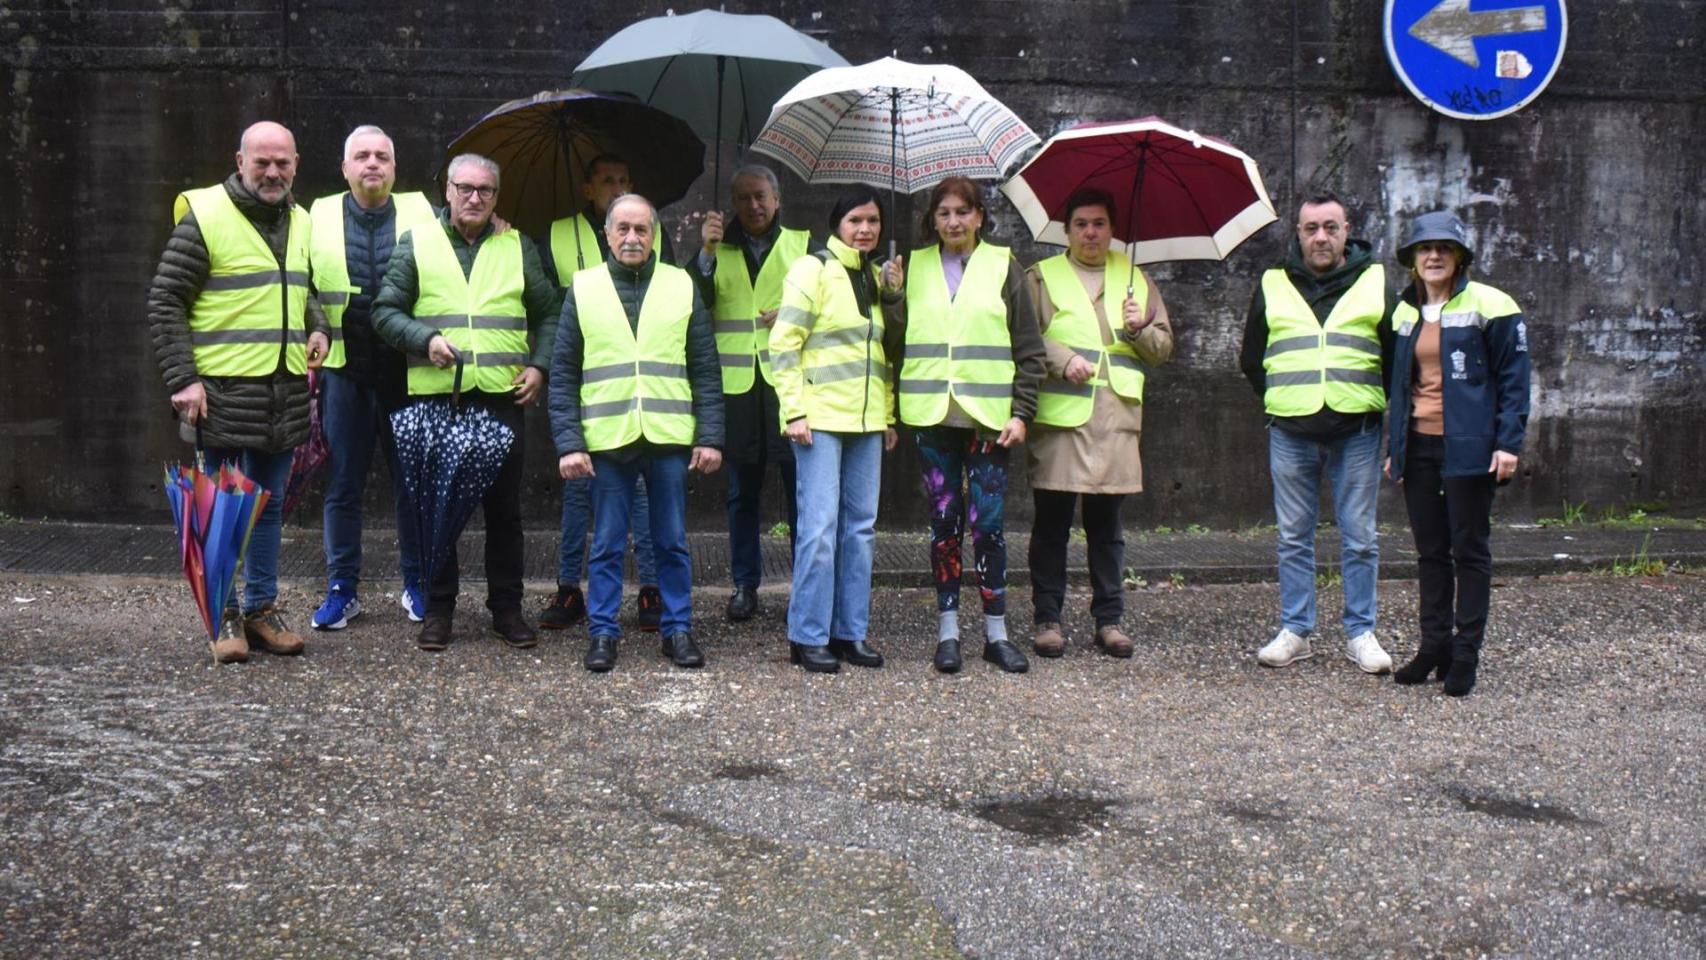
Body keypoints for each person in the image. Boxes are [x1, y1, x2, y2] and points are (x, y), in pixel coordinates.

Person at [148, 120, 331, 664]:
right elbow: (165, 301)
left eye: (282, 162)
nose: (272, 172)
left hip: (283, 390)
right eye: (262, 162)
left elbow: (301, 285)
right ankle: (224, 615)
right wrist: (183, 379)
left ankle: (261, 609)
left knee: (268, 508)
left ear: (296, 163)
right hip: (222, 392)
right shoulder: (206, 218)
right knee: (221, 510)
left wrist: (317, 324)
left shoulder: (301, 220)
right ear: (240, 159)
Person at [371, 153, 560, 652]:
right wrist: (424, 338)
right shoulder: (415, 244)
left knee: (505, 514)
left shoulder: (518, 246)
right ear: (447, 190)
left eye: (486, 190)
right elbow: (384, 311)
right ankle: (438, 610)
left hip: (501, 397)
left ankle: (507, 609)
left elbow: (550, 313)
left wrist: (539, 365)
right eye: (465, 188)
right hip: (439, 399)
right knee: (436, 512)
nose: (475, 198)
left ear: (497, 197)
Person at [551, 193, 724, 672]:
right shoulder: (582, 288)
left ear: (655, 235)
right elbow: (563, 371)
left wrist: (709, 436)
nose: (632, 238)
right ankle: (603, 633)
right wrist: (569, 443)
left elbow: (705, 369)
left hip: (668, 437)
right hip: (607, 439)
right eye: (622, 229)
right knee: (606, 542)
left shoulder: (681, 284)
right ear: (607, 234)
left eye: (641, 230)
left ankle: (678, 629)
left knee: (671, 540)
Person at [1238, 192, 1399, 674]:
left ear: (1348, 230)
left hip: (1358, 427)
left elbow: (1395, 352)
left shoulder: (1377, 280)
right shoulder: (1272, 282)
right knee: (1292, 535)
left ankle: (1361, 632)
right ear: (1299, 234)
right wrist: (1283, 397)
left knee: (1361, 537)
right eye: (1311, 229)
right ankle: (1296, 630)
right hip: (1291, 427)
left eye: (1330, 227)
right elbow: (1251, 357)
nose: (1321, 237)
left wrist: (1373, 401)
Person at [895, 176, 1045, 673]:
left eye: (963, 212)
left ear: (980, 215)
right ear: (932, 220)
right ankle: (949, 632)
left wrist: (1022, 413)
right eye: (944, 214)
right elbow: (894, 342)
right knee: (944, 526)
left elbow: (1030, 350)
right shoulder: (911, 268)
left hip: (988, 421)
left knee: (990, 528)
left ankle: (996, 634)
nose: (953, 222)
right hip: (931, 414)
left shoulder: (1005, 267)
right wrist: (892, 298)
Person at [1385, 211, 1530, 697]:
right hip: (1420, 446)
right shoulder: (1403, 312)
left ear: (1460, 257)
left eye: (1444, 249)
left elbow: (1514, 380)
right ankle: (1434, 649)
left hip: (1471, 447)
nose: (1433, 256)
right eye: (1424, 249)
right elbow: (1399, 387)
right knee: (1430, 552)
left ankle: (1465, 654)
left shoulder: (1493, 304)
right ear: (1411, 259)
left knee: (1469, 550)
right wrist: (1397, 449)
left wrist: (1508, 442)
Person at [1025, 188, 1173, 659]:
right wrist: (1062, 358)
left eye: (1100, 224)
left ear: (1113, 230)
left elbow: (1162, 350)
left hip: (1114, 419)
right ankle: (1048, 619)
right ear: (1066, 231)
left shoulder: (1137, 280)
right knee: (1052, 524)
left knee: (1107, 528)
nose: (1091, 232)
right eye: (1082, 224)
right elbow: (1023, 336)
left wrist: (1138, 329)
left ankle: (1109, 620)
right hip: (1063, 418)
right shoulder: (1041, 279)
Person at [306, 125, 439, 631]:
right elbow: (303, 285)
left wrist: (499, 225)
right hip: (344, 371)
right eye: (361, 156)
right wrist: (315, 328)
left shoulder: (422, 211)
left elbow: (459, 244)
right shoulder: (315, 215)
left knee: (412, 485)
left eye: (382, 155)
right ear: (344, 168)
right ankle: (342, 590)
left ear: (395, 167)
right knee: (342, 485)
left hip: (406, 372)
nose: (372, 164)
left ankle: (417, 583)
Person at [770, 188, 901, 674]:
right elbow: (783, 343)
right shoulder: (813, 269)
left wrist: (886, 415)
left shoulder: (873, 278)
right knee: (820, 530)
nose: (865, 229)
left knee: (861, 531)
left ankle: (850, 631)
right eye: (855, 220)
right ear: (837, 224)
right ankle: (807, 635)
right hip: (820, 420)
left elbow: (878, 355)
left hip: (866, 424)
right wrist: (794, 411)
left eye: (873, 221)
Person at [538, 153, 667, 634]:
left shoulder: (650, 232)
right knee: (577, 494)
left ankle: (650, 587)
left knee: (639, 496)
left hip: (635, 396)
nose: (615, 186)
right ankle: (569, 587)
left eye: (623, 178)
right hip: (583, 384)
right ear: (588, 188)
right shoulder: (555, 233)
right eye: (605, 180)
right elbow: (547, 303)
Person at [690, 164, 810, 622]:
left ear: (777, 200)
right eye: (743, 198)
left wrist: (796, 311)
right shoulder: (717, 247)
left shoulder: (802, 245)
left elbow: (828, 301)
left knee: (800, 492)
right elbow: (694, 300)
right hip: (736, 387)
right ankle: (745, 585)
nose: (754, 206)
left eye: (761, 197)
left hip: (787, 387)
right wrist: (705, 251)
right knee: (742, 494)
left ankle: (806, 584)